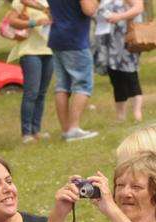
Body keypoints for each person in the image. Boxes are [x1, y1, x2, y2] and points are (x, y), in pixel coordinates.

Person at [46, 0, 100, 141]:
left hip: (57, 36)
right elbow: (89, 10)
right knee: (83, 84)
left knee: (62, 85)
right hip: (75, 38)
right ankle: (74, 129)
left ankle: (66, 130)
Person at [5, 0, 55, 143]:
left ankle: (36, 130)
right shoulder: (22, 1)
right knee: (31, 92)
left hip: (49, 50)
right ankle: (26, 133)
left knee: (42, 93)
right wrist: (34, 23)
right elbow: (12, 21)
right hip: (30, 51)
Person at [94, 0, 146, 123]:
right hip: (108, 42)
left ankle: (137, 114)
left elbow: (139, 7)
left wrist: (119, 17)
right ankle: (120, 116)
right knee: (115, 78)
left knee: (130, 75)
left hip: (125, 40)